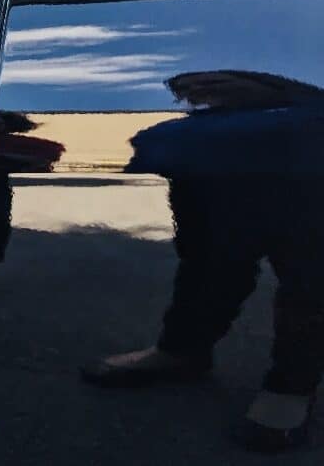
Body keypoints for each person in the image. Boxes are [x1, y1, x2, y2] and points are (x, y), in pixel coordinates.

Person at [82, 70, 324, 452]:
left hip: (302, 126)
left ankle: (292, 384)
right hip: (209, 135)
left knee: (309, 271)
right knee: (208, 256)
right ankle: (181, 349)